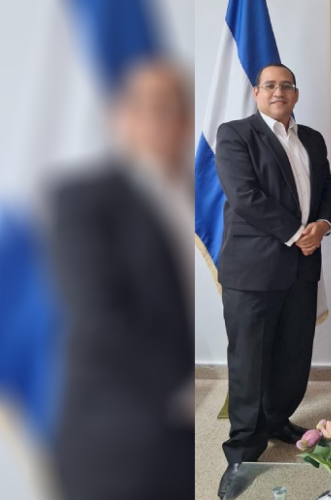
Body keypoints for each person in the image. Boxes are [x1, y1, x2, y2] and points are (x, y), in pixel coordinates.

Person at [53, 60, 194, 500]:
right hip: (121, 444)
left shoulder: (194, 195)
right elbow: (101, 320)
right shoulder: (83, 200)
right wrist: (188, 389)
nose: (162, 119)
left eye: (173, 107)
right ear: (121, 117)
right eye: (148, 106)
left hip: (181, 444)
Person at [214, 63, 331, 499]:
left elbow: (328, 188)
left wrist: (323, 224)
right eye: (270, 85)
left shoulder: (313, 139)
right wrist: (297, 233)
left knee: (292, 353)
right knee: (249, 362)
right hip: (253, 270)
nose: (278, 91)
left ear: (296, 94)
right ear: (256, 93)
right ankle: (242, 453)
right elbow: (244, 196)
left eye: (286, 85)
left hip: (302, 267)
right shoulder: (235, 134)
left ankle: (278, 419)